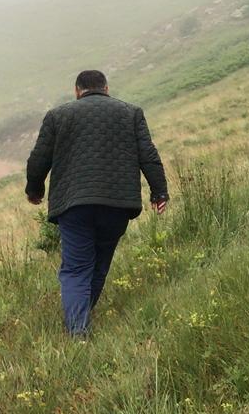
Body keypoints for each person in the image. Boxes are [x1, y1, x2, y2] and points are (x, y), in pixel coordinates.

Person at [25, 70, 168, 336]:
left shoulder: (57, 115)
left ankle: (78, 330)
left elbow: (38, 160)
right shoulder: (131, 113)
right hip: (117, 204)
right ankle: (79, 320)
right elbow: (148, 154)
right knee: (99, 264)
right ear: (106, 88)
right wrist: (159, 193)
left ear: (77, 91)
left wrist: (34, 190)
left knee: (77, 268)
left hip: (73, 205)